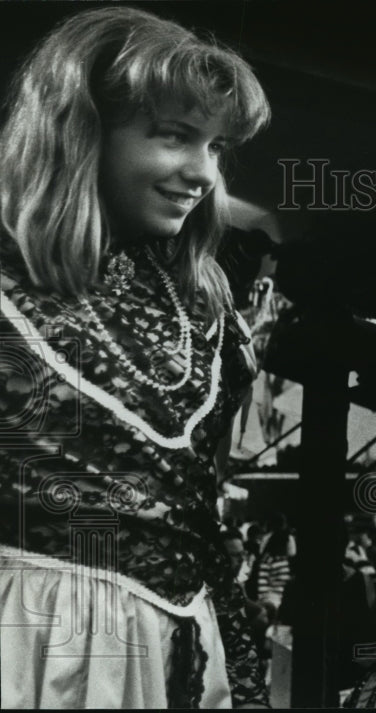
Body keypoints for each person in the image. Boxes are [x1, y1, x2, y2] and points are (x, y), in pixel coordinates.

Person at [0, 7, 270, 708]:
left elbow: (204, 508)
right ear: (83, 132)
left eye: (215, 147)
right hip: (35, 649)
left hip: (173, 652)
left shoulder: (204, 312)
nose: (203, 173)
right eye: (175, 136)